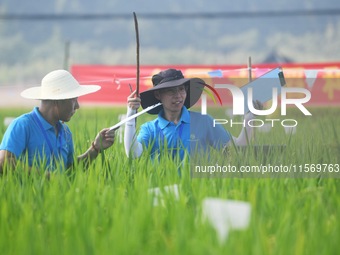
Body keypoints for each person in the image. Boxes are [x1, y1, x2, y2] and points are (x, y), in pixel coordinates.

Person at [124, 68, 261, 160]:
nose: (178, 96)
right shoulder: (150, 129)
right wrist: (130, 114)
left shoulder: (204, 121)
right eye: (171, 91)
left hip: (200, 192)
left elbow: (237, 149)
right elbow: (133, 153)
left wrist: (250, 118)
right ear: (158, 94)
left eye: (181, 89)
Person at [0, 69, 116, 174]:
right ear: (58, 101)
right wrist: (43, 176)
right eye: (73, 100)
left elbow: (69, 170)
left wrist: (95, 149)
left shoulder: (65, 132)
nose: (77, 106)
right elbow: (4, 161)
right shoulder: (23, 125)